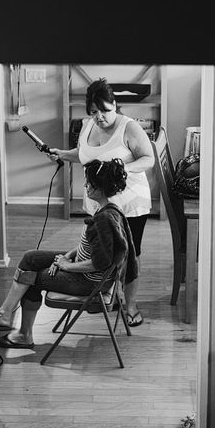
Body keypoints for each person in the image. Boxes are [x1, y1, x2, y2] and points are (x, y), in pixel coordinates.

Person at [0, 158, 138, 349]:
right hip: (81, 267)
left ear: (99, 188)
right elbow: (90, 246)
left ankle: (23, 335)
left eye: (89, 183)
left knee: (30, 279)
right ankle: (4, 314)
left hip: (89, 282)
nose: (85, 186)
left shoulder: (105, 219)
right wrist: (67, 255)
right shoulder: (108, 209)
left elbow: (100, 262)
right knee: (30, 257)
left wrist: (67, 266)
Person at [47, 77, 154, 327]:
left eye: (105, 110)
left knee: (129, 254)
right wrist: (62, 154)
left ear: (114, 105)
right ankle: (108, 296)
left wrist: (118, 167)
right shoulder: (88, 125)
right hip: (98, 205)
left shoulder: (128, 128)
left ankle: (131, 305)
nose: (100, 117)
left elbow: (148, 159)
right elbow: (85, 155)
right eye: (94, 112)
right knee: (102, 252)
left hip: (129, 205)